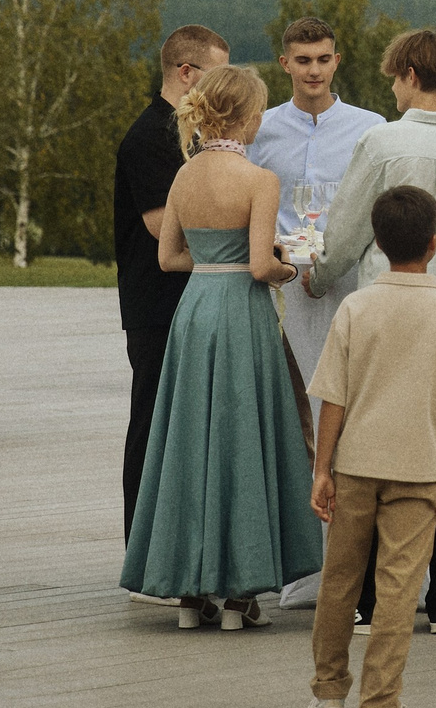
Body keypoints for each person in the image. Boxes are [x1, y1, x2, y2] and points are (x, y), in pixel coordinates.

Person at [317, 28, 436, 634]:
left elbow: (347, 227)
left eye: (394, 75)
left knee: (378, 448)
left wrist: (318, 274)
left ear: (407, 74)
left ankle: (374, 600)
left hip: (393, 307)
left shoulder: (381, 141)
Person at [124, 65, 320, 630]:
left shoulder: (185, 176)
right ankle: (238, 594)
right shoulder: (259, 180)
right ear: (249, 117)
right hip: (240, 312)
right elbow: (261, 264)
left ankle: (189, 596)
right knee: (241, 437)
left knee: (190, 438)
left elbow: (167, 258)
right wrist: (289, 270)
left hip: (195, 308)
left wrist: (213, 265)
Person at [306, 185, 436, 708]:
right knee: (399, 586)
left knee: (340, 579)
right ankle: (381, 704)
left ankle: (329, 694)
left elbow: (332, 396)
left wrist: (323, 467)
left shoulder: (355, 307)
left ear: (378, 244)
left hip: (356, 462)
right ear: (433, 244)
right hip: (421, 466)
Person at [113, 25, 231, 539]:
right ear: (187, 73)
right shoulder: (151, 137)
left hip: (190, 301)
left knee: (187, 429)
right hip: (157, 306)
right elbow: (164, 228)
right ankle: (142, 544)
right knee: (153, 425)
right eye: (218, 74)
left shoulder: (187, 134)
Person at [249, 18, 387, 425]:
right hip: (280, 282)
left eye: (323, 59)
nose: (314, 70)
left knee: (349, 398)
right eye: (303, 60)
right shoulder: (261, 129)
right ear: (285, 64)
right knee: (287, 408)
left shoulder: (370, 128)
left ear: (336, 62)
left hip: (347, 280)